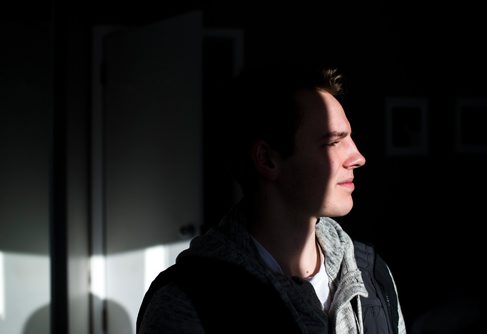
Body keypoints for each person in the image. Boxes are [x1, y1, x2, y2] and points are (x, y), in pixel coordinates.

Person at [136, 62, 406, 333]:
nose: (358, 158)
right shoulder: (187, 303)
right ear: (267, 160)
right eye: (333, 142)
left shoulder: (372, 274)